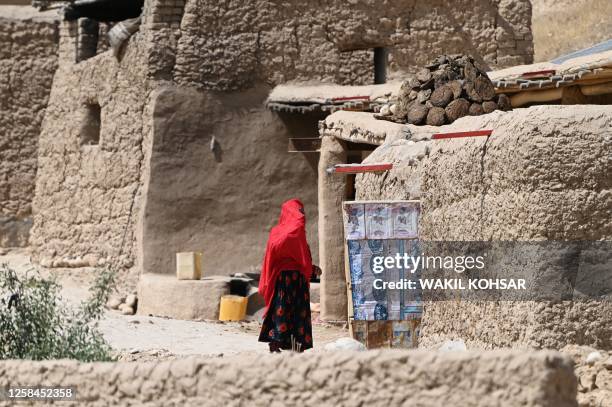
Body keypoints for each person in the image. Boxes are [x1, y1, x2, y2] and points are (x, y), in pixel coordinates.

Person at [258, 199, 321, 353]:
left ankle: (275, 342)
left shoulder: (276, 231)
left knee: (280, 308)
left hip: (281, 278)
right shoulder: (297, 230)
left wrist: (310, 268)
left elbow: (291, 256)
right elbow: (300, 258)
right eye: (300, 210)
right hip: (294, 279)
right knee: (296, 311)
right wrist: (311, 270)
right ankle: (294, 344)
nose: (303, 214)